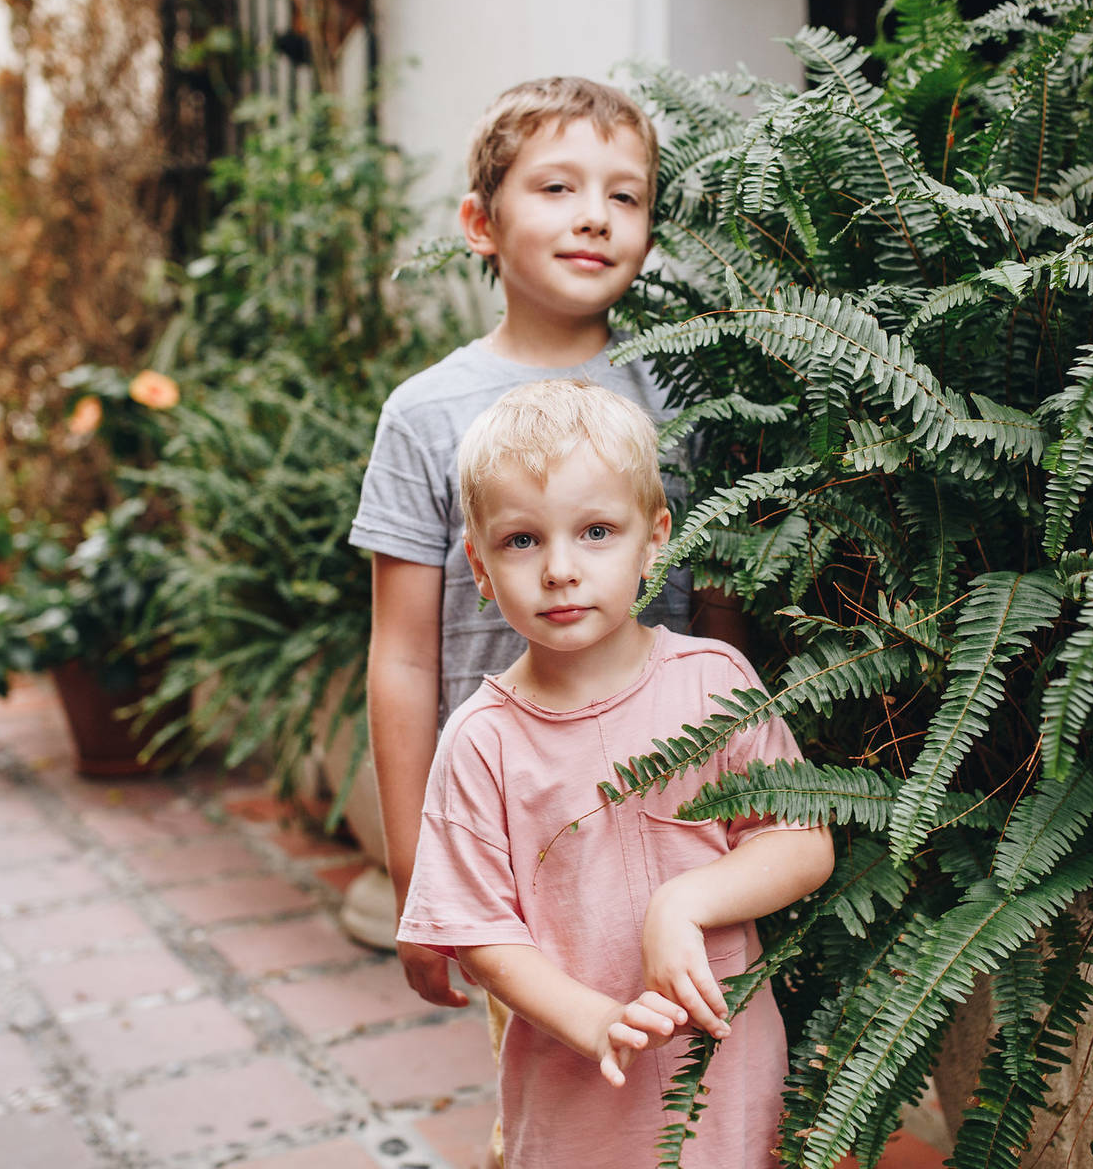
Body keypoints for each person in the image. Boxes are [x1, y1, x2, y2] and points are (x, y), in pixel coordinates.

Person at [343, 76, 741, 1001]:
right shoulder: (424, 415)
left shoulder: (683, 397)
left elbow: (719, 608)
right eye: (557, 188)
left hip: (671, 811)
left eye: (625, 195)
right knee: (543, 1074)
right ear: (480, 223)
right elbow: (401, 657)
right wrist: (417, 876)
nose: (595, 217)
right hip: (511, 823)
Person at [398, 379, 835, 1167]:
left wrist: (686, 900)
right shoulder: (480, 741)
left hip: (724, 1068)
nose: (560, 569)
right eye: (522, 540)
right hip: (578, 1090)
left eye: (595, 531)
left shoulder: (714, 683)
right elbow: (480, 932)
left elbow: (800, 839)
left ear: (655, 538)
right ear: (480, 566)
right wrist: (592, 1020)